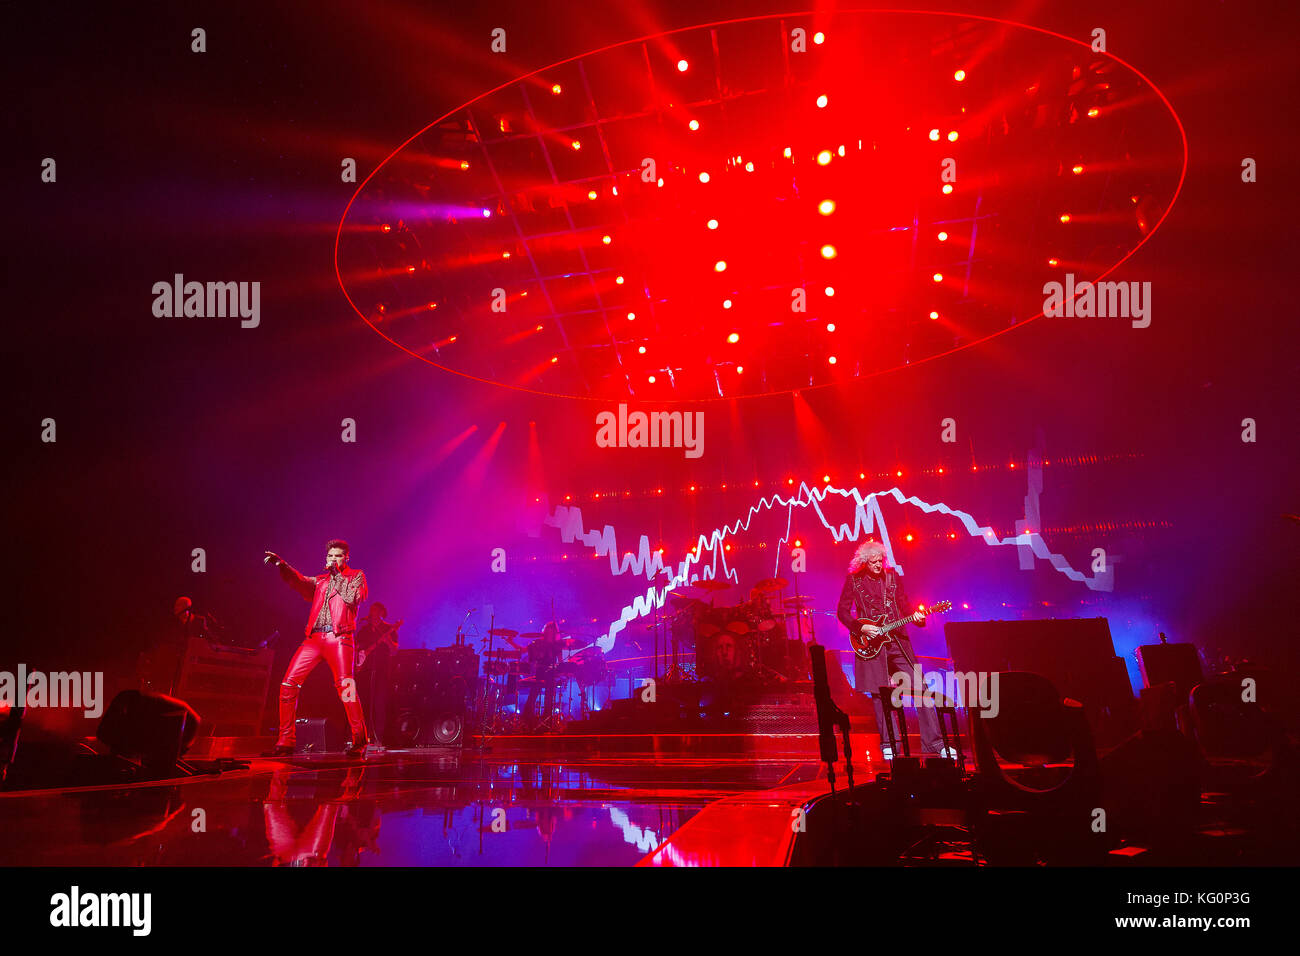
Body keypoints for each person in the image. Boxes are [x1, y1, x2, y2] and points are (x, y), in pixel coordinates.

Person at [835, 539, 944, 757]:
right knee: (879, 693)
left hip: (898, 641)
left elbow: (904, 604)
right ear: (864, 561)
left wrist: (918, 617)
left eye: (880, 561)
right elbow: (843, 611)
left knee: (919, 689)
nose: (878, 565)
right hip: (871, 643)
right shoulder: (854, 580)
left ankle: (935, 744)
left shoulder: (892, 577)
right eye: (873, 562)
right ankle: (890, 745)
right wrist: (861, 627)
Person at [263, 540, 368, 757]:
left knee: (345, 687)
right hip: (314, 638)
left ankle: (359, 739)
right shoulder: (320, 580)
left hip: (340, 637)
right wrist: (282, 565)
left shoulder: (356, 576)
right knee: (288, 684)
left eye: (338, 556)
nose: (333, 559)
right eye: (330, 556)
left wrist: (338, 576)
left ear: (346, 558)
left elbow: (353, 599)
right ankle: (285, 741)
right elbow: (299, 581)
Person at [355, 603, 400, 751]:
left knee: (379, 704)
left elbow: (394, 650)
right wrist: (360, 659)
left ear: (382, 612)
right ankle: (361, 737)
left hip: (382, 671)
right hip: (366, 671)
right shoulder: (364, 629)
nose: (372, 613)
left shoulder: (389, 628)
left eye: (375, 611)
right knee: (364, 703)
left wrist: (386, 638)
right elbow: (357, 647)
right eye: (371, 611)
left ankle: (378, 737)